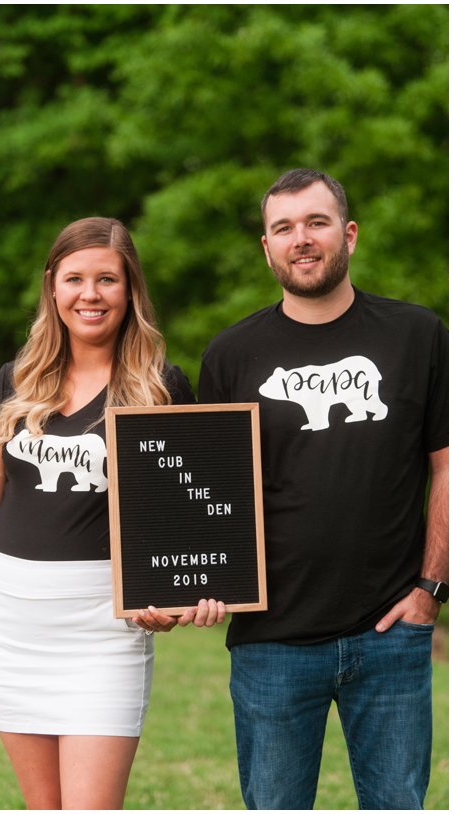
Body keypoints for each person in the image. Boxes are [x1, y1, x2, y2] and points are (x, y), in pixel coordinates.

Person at [0, 217, 225, 810]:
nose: (90, 294)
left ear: (130, 291)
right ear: (52, 286)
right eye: (75, 279)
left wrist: (172, 601)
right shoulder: (13, 383)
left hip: (104, 629)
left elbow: (186, 527)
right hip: (9, 622)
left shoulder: (161, 388)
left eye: (107, 280)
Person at [198, 168, 449, 810]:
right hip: (270, 640)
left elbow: (447, 465)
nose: (301, 239)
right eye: (284, 227)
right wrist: (193, 579)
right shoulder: (231, 355)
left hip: (391, 632)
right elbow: (209, 493)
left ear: (350, 233)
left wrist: (430, 591)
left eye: (316, 222)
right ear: (266, 246)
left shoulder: (418, 336)